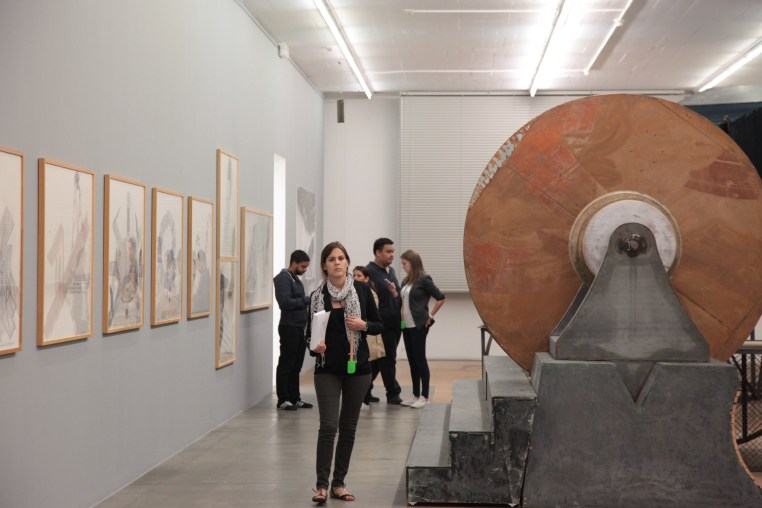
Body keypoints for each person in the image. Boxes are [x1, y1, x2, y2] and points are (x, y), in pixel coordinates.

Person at [309, 242, 382, 504]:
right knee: (329, 426)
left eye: (341, 258)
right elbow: (309, 335)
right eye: (332, 259)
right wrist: (315, 346)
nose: (337, 263)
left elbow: (379, 324)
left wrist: (364, 325)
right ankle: (321, 485)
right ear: (324, 265)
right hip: (326, 369)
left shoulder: (362, 290)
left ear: (348, 262)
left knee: (348, 428)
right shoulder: (317, 296)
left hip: (358, 369)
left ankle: (338, 484)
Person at [399, 249, 445, 409]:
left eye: (404, 263)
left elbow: (441, 297)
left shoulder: (424, 279)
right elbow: (403, 302)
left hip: (418, 325)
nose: (403, 266)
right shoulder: (405, 281)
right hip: (406, 326)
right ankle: (416, 395)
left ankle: (425, 397)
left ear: (413, 263)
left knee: (420, 360)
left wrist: (430, 316)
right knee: (412, 362)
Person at [365, 238, 403, 404]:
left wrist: (395, 293)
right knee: (388, 359)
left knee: (378, 360)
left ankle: (365, 391)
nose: (392, 255)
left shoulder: (391, 271)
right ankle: (393, 393)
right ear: (378, 252)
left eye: (393, 251)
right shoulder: (369, 272)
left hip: (395, 323)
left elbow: (397, 295)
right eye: (388, 252)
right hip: (381, 324)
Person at [274, 250, 312, 411]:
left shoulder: (295, 279)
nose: (305, 270)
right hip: (289, 327)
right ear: (294, 263)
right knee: (287, 364)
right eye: (303, 266)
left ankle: (295, 398)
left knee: (296, 365)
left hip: (299, 327)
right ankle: (283, 399)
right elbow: (284, 302)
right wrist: (306, 300)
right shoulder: (283, 278)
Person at [352, 266, 382, 409]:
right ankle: (365, 396)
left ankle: (365, 397)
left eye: (359, 275)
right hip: (360, 332)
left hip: (368, 333)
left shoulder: (369, 292)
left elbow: (371, 315)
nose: (355, 278)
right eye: (354, 275)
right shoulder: (353, 291)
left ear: (366, 278)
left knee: (369, 366)